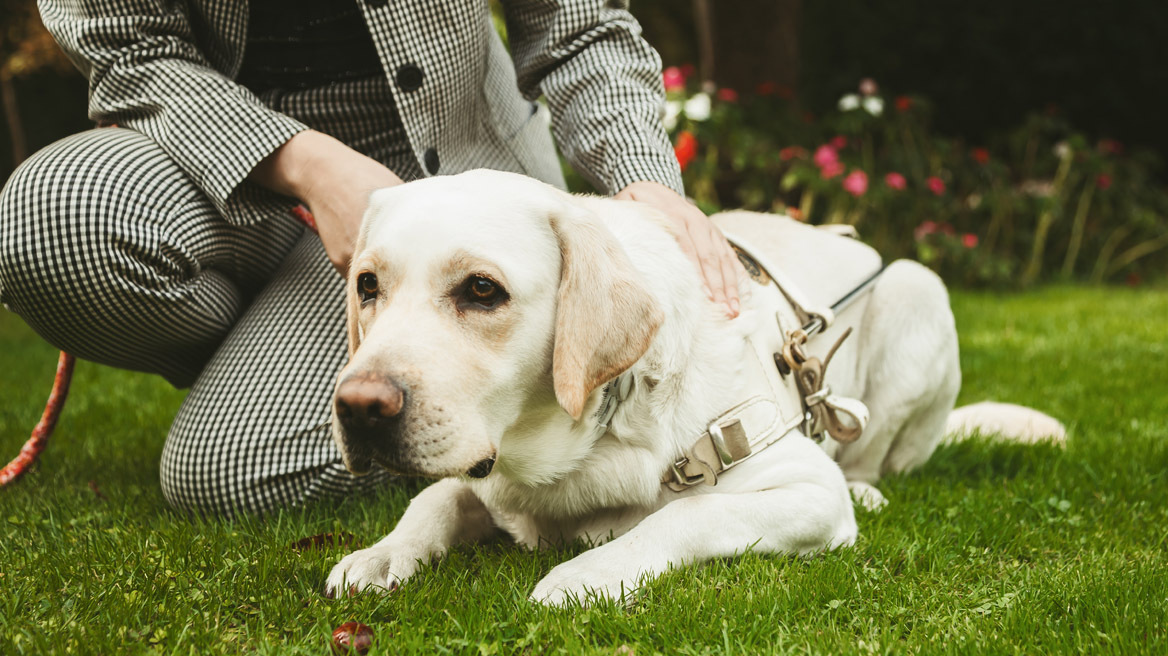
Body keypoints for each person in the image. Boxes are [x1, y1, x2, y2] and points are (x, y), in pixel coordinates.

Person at [0, 0, 743, 516]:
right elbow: (130, 51)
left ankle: (293, 379)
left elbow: (577, 26)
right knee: (48, 217)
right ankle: (263, 359)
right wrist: (307, 164)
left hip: (460, 174)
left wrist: (643, 178)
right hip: (215, 168)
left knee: (223, 473)